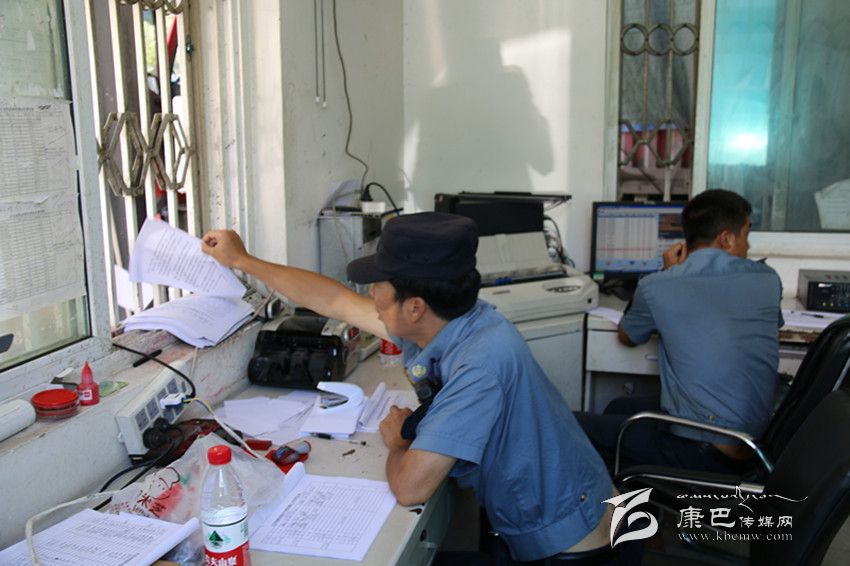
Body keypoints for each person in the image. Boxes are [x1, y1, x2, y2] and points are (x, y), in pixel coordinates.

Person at [202, 212, 617, 563]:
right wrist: (242, 260)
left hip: (571, 544)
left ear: (415, 306)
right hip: (558, 510)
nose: (371, 294)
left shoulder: (480, 365)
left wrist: (399, 442)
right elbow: (334, 302)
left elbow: (410, 487)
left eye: (379, 286)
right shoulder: (456, 320)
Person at [576, 189, 783, 474]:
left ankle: (621, 495)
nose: (748, 246)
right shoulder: (768, 280)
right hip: (753, 443)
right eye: (746, 235)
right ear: (726, 238)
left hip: (704, 449)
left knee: (572, 426)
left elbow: (628, 336)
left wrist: (667, 273)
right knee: (618, 407)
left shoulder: (659, 285)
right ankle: (631, 488)